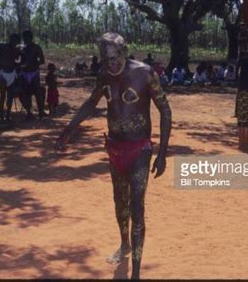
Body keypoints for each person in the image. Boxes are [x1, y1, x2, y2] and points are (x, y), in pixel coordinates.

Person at [55, 33, 171, 280]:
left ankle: (136, 272)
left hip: (140, 148)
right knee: (120, 203)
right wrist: (68, 130)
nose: (112, 63)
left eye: (116, 57)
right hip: (115, 148)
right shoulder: (104, 76)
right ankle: (124, 245)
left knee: (137, 207)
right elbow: (91, 102)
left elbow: (165, 109)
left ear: (125, 51)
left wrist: (162, 153)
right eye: (106, 59)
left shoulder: (145, 73)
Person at [0, 33, 22, 121]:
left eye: (16, 41)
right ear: (10, 39)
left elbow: (19, 60)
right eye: (13, 40)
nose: (14, 42)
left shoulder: (17, 50)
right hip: (2, 72)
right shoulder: (2, 46)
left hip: (11, 73)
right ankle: (1, 116)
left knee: (10, 95)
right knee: (3, 94)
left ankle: (7, 115)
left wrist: (18, 65)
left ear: (18, 42)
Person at [20, 30, 46, 119]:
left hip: (34, 73)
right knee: (26, 93)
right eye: (24, 38)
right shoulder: (22, 49)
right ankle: (29, 112)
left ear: (30, 38)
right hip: (24, 73)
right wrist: (22, 65)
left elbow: (42, 60)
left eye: (25, 38)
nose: (24, 40)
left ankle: (41, 111)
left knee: (37, 92)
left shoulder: (37, 48)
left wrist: (34, 64)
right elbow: (21, 61)